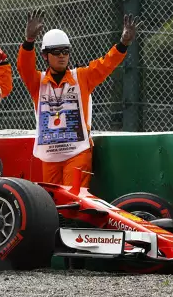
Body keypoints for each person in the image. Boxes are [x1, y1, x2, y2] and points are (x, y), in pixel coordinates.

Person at [18, 11, 141, 187]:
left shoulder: (81, 77)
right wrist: (29, 42)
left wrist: (123, 44)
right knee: (51, 202)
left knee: (73, 199)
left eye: (66, 51)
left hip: (77, 152)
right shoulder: (37, 82)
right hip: (50, 155)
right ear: (45, 55)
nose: (62, 56)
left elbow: (106, 64)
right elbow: (24, 68)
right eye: (57, 51)